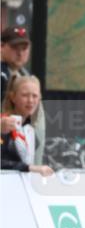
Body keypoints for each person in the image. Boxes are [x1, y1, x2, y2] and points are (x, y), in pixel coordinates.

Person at [1, 26, 45, 164]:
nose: (20, 53)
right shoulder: (3, 76)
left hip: (24, 156)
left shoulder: (22, 75)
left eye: (24, 48)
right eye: (15, 48)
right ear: (1, 46)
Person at [1, 75, 53, 175]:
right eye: (25, 95)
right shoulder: (4, 125)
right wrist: (29, 168)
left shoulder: (31, 129)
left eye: (35, 96)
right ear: (13, 97)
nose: (30, 101)